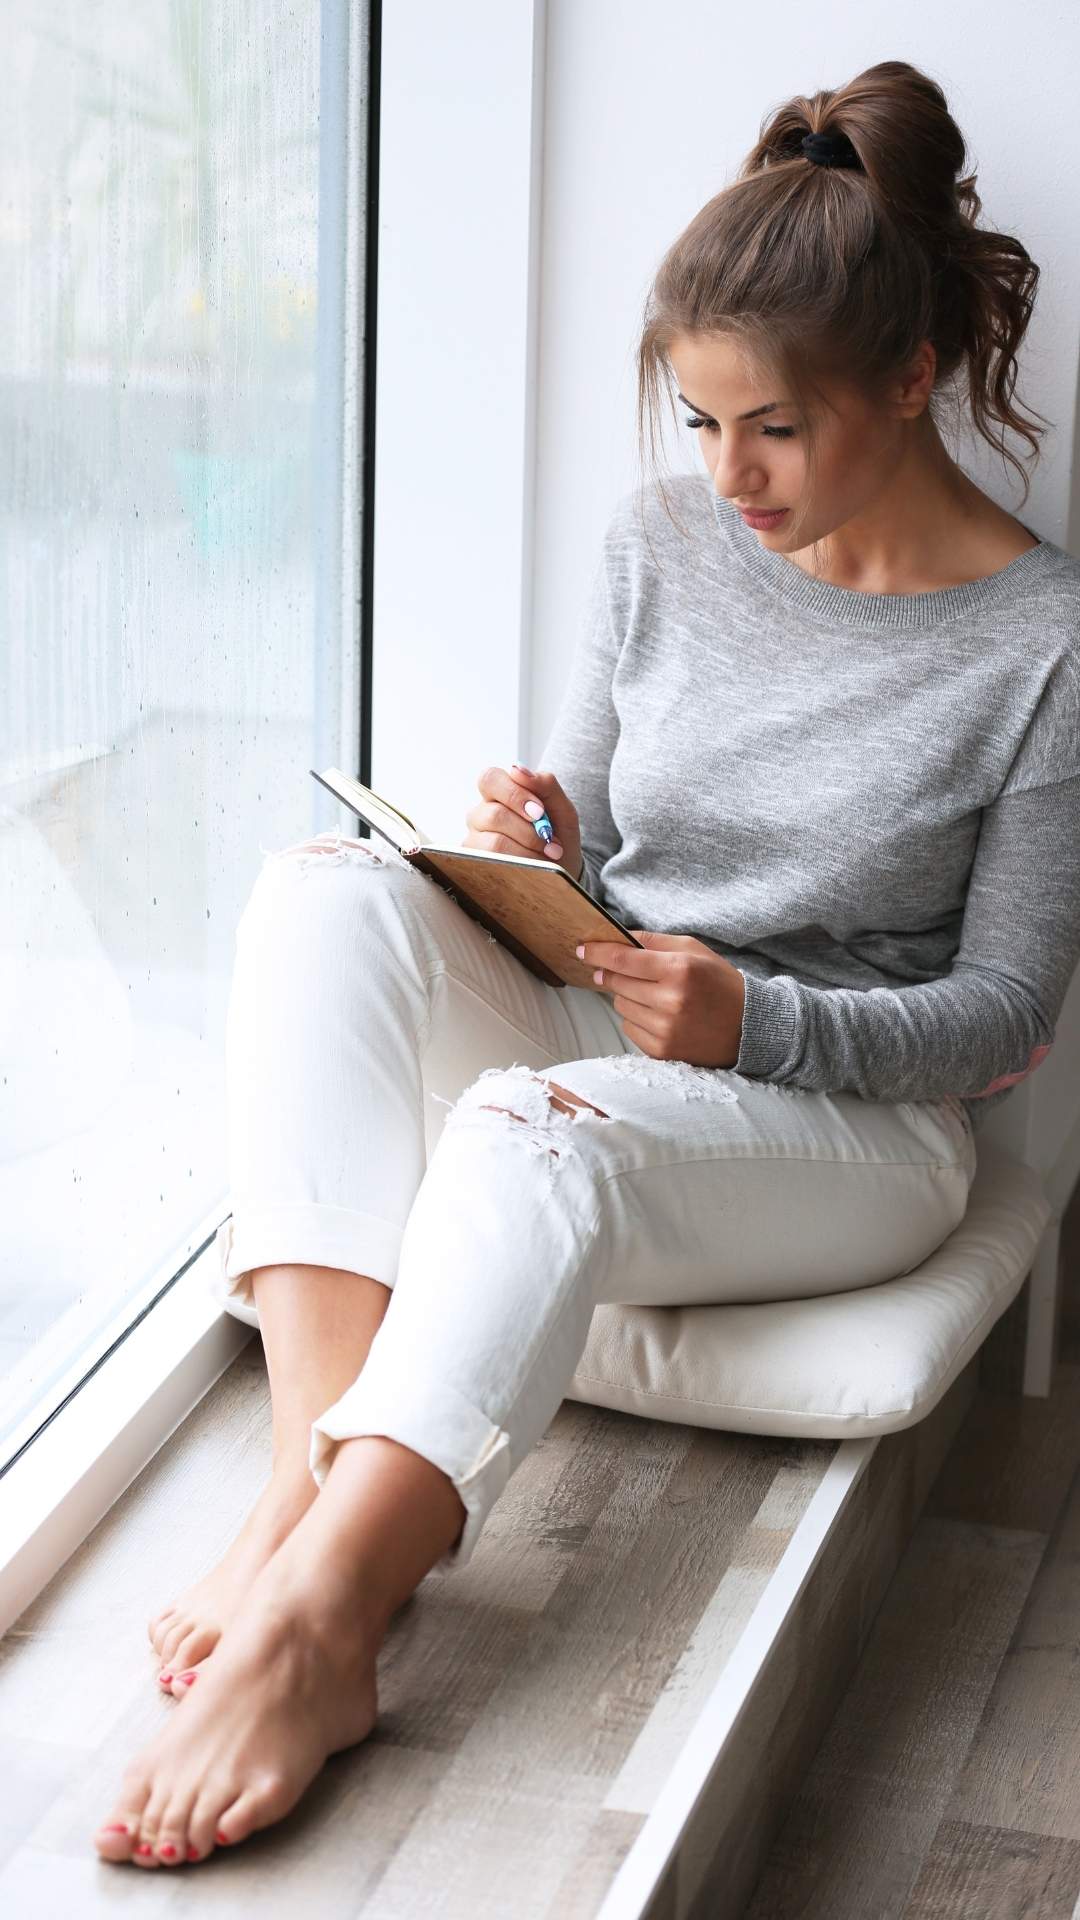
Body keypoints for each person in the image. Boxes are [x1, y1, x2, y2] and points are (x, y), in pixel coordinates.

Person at [95, 57, 1080, 1868]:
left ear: (911, 378)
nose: (731, 477)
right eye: (701, 428)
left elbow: (1008, 1020)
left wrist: (754, 1017)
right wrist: (544, 860)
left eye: (771, 427)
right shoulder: (664, 544)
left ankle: (325, 1628)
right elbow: (614, 862)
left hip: (852, 1122)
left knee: (529, 1134)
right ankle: (314, 1481)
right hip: (631, 1010)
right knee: (328, 891)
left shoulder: (1041, 641)